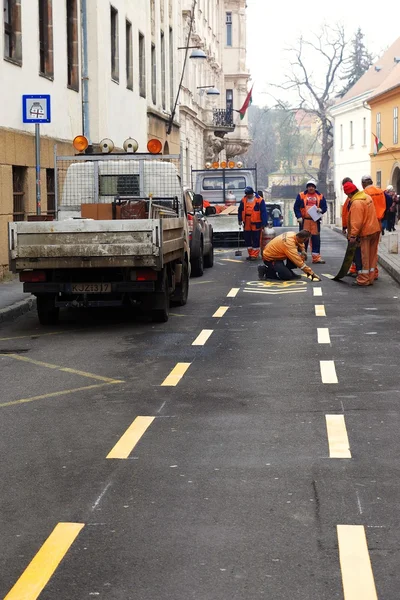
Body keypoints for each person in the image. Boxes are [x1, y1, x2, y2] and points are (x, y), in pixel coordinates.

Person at [343, 181, 381, 287]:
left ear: (349, 194)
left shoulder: (356, 203)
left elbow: (356, 222)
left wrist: (353, 236)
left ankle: (363, 279)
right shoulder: (367, 197)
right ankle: (371, 277)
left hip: (365, 233)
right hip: (374, 229)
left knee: (364, 257)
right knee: (372, 256)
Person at [294, 179, 327, 264]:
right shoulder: (301, 195)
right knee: (303, 239)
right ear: (307, 187)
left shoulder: (320, 196)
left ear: (315, 187)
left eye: (312, 186)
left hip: (315, 221)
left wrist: (321, 210)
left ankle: (316, 258)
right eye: (309, 186)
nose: (311, 188)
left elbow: (325, 207)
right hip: (305, 221)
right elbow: (296, 207)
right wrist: (299, 216)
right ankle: (301, 257)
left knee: (316, 239)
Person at [238, 186, 268, 260]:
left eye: (249, 194)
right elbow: (240, 210)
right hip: (247, 221)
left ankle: (254, 255)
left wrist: (264, 223)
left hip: (256, 222)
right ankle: (250, 254)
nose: (248, 196)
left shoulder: (259, 200)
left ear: (252, 193)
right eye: (247, 194)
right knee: (247, 238)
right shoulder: (244, 200)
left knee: (256, 238)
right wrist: (240, 219)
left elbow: (263, 212)